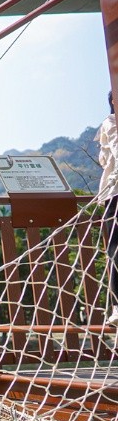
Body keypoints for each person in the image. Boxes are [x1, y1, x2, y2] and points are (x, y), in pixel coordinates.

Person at [97, 90, 118, 323]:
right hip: (116, 193)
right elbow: (116, 146)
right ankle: (117, 305)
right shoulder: (111, 121)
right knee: (116, 249)